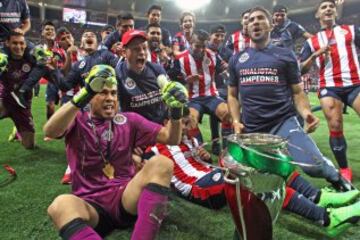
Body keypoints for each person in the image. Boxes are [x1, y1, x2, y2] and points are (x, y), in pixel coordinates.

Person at [142, 113, 360, 238]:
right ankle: (327, 218)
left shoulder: (187, 139)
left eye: (187, 121)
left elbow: (202, 159)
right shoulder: (152, 147)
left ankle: (316, 196)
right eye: (181, 121)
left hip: (210, 174)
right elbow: (146, 172)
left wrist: (206, 155)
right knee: (255, 180)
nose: (187, 125)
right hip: (198, 188)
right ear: (165, 124)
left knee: (266, 163)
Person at [45, 64, 188, 240]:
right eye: (102, 92)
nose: (110, 98)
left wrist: (176, 112)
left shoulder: (129, 120)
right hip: (90, 205)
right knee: (59, 205)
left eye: (114, 93)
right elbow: (50, 131)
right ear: (90, 96)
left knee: (163, 163)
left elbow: (171, 138)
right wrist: (84, 93)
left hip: (125, 198)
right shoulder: (78, 119)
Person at [227, 6, 353, 193]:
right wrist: (236, 121)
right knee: (253, 177)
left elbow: (297, 91)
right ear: (246, 27)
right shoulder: (237, 59)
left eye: (260, 18)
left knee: (313, 166)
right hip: (252, 127)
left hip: (283, 122)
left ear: (270, 25)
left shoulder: (285, 55)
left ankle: (336, 178)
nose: (255, 22)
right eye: (251, 20)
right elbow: (231, 95)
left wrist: (306, 112)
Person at [300, 0, 360, 182]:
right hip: (330, 87)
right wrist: (315, 55)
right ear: (317, 14)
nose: (328, 9)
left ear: (335, 12)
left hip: (355, 83)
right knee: (335, 126)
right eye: (324, 7)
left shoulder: (351, 30)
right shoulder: (312, 42)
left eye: (331, 6)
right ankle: (344, 169)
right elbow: (301, 69)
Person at [170, 30, 232, 148]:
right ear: (190, 43)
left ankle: (227, 150)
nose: (201, 49)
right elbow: (171, 80)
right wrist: (185, 81)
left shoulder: (213, 55)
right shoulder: (180, 59)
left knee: (228, 114)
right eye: (197, 46)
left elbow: (223, 70)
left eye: (203, 46)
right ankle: (200, 148)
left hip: (211, 96)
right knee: (190, 122)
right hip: (193, 99)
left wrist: (228, 74)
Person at [115, 29, 170, 124]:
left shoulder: (157, 70)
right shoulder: (117, 76)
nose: (142, 52)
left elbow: (169, 100)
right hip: (133, 128)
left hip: (159, 126)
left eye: (144, 48)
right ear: (124, 52)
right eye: (136, 49)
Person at [0, 31, 36, 149]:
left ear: (25, 45)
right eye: (14, 43)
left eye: (21, 43)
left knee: (29, 145)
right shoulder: (2, 60)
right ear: (7, 43)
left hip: (22, 106)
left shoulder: (32, 60)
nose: (18, 46)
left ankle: (18, 130)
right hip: (4, 101)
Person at [208, 24, 233, 154]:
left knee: (226, 115)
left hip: (225, 88)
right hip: (210, 88)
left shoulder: (227, 52)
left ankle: (226, 144)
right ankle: (215, 141)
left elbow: (233, 67)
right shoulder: (204, 49)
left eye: (222, 36)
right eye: (216, 35)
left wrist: (229, 66)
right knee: (214, 116)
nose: (219, 38)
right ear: (210, 36)